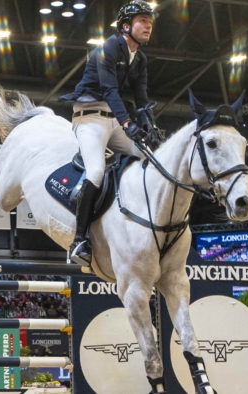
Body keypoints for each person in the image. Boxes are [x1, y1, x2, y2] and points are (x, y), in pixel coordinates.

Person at [59, 0, 160, 266]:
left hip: (114, 119)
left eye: (150, 22)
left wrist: (150, 126)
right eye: (143, 21)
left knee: (149, 160)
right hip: (90, 117)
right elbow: (109, 91)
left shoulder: (141, 59)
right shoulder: (109, 47)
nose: (148, 26)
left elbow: (142, 98)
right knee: (95, 171)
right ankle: (79, 240)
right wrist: (129, 124)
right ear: (126, 26)